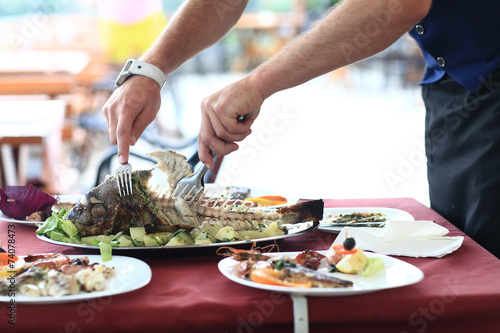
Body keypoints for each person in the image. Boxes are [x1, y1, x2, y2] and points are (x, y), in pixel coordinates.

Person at [103, 0, 500, 258]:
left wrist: (256, 84)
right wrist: (149, 70)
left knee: (484, 271)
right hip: (455, 86)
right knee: (466, 256)